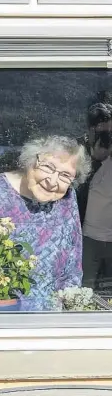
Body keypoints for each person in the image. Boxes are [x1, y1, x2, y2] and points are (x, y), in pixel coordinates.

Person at [0, 136, 91, 310]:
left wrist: (70, 310)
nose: (53, 181)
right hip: (1, 313)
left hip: (52, 318)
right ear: (30, 161)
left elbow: (73, 262)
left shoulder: (67, 197)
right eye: (48, 167)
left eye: (65, 175)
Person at [78, 102, 112, 291]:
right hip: (85, 235)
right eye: (103, 133)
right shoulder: (77, 152)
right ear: (91, 129)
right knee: (84, 287)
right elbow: (73, 190)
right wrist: (94, 159)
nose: (107, 138)